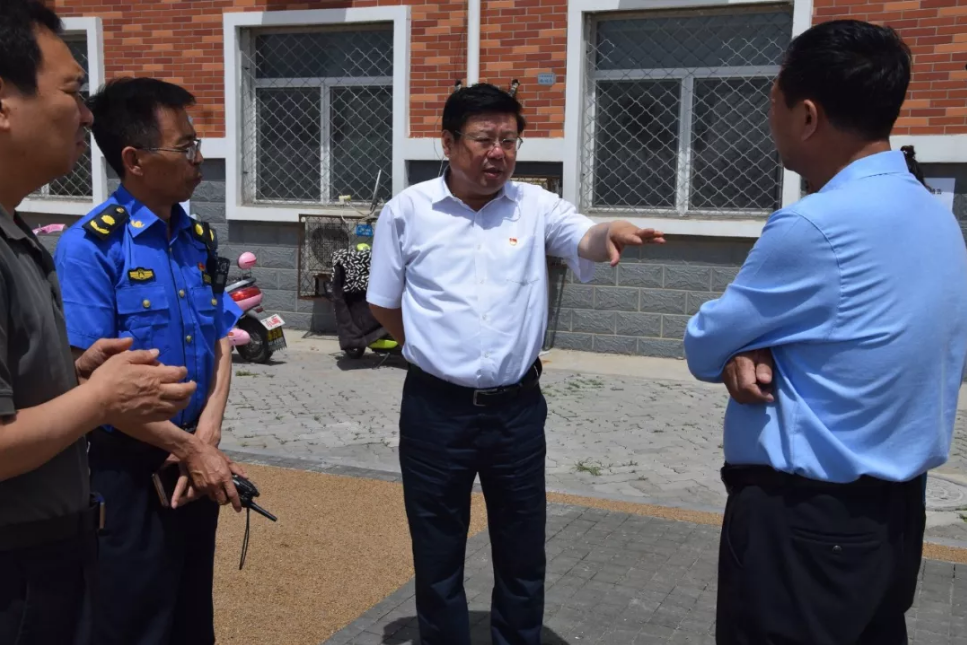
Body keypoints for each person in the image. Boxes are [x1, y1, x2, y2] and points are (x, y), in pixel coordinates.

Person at [683, 19, 967, 645]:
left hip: (806, 525)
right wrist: (760, 343)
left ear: (807, 115)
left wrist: (745, 344)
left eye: (773, 102)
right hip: (893, 517)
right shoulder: (934, 213)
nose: (770, 119)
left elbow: (704, 344)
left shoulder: (813, 226)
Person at [366, 82, 666, 645]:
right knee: (436, 547)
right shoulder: (407, 211)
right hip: (435, 411)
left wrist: (611, 232)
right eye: (484, 139)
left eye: (509, 140)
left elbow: (583, 236)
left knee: (522, 546)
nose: (498, 153)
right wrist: (428, 352)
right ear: (448, 143)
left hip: (516, 412)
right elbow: (383, 302)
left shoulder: (534, 207)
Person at [0, 3, 200, 644]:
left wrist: (76, 375)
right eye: (72, 92)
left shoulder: (19, 239)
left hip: (53, 545)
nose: (87, 117)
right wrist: (99, 398)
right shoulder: (87, 242)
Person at [53, 77, 245, 645]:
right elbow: (87, 378)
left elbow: (221, 339)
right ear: (134, 160)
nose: (198, 158)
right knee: (134, 621)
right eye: (184, 147)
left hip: (195, 462)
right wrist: (187, 448)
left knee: (192, 618)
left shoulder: (198, 238)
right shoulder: (91, 247)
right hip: (129, 468)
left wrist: (205, 437)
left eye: (196, 143)